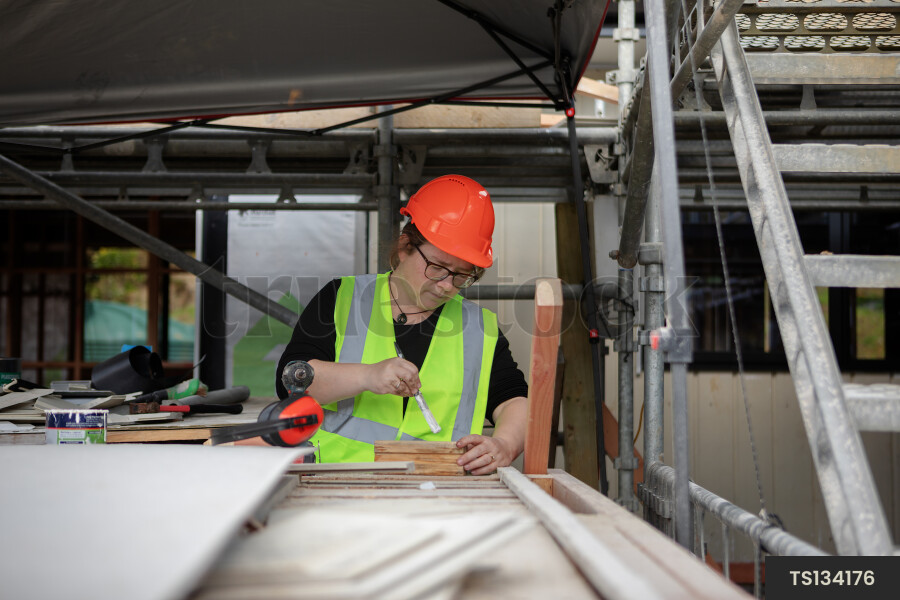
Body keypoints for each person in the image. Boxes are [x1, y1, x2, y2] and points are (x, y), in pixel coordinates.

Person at [276, 174, 528, 475]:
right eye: (437, 267)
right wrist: (367, 376)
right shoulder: (342, 297)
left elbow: (514, 399)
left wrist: (505, 444)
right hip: (335, 482)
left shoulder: (479, 328)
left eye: (463, 275)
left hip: (441, 492)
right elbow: (290, 380)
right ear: (405, 246)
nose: (447, 286)